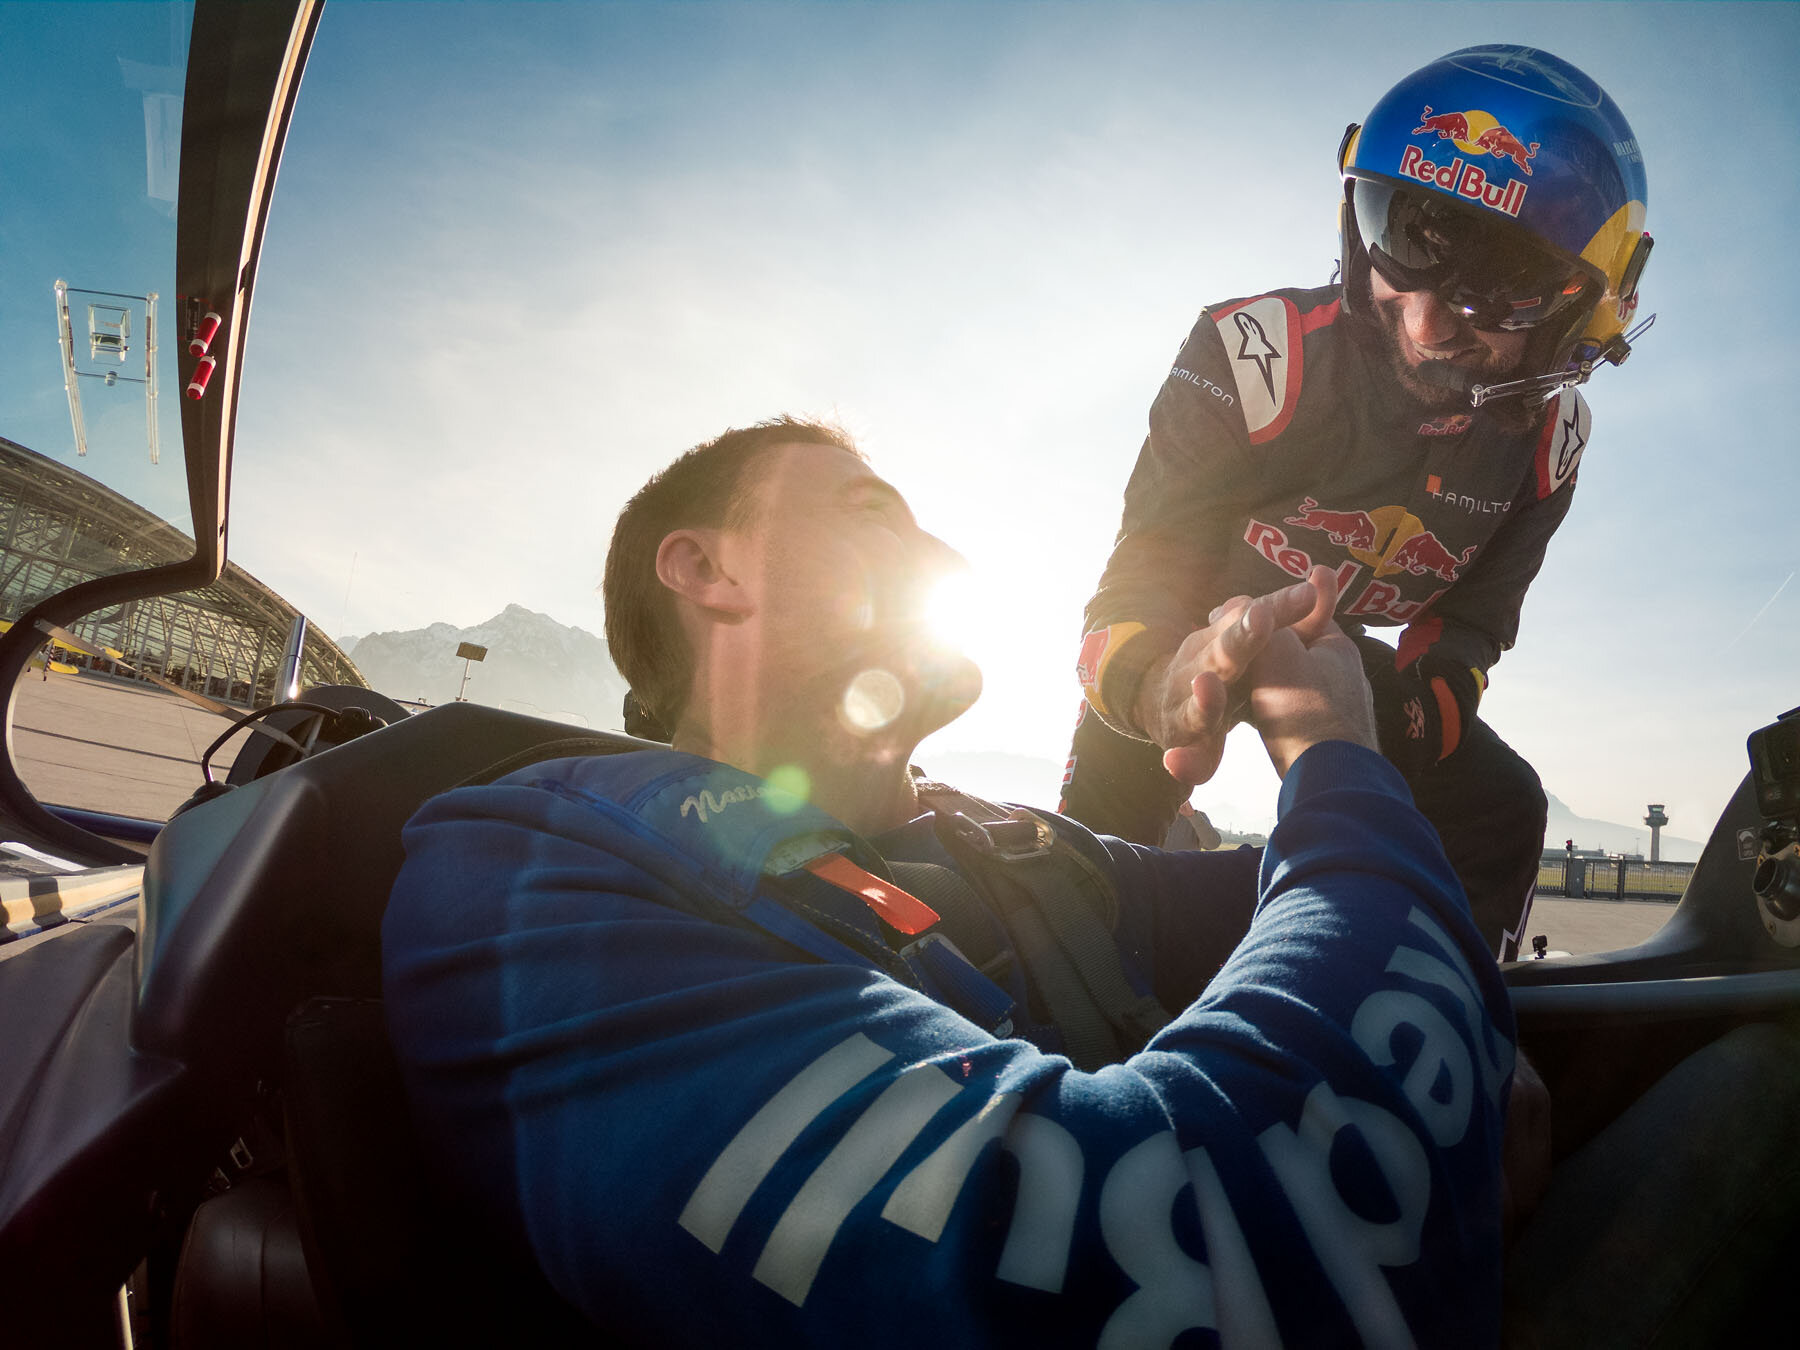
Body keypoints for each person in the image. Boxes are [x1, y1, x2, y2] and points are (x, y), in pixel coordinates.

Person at [382, 416, 1520, 1346]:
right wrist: (1332, 758)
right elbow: (1176, 1234)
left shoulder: (1011, 846)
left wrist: (1313, 698)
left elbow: (1366, 916)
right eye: (872, 511)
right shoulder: (532, 880)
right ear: (708, 569)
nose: (952, 561)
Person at [1059, 45, 1653, 961]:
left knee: (1504, 807)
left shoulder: (1551, 446)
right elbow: (1131, 589)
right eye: (1408, 237)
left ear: (1592, 312)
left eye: (1505, 288)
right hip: (1194, 634)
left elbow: (1470, 631)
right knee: (1079, 879)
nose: (1422, 320)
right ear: (1354, 209)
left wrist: (1408, 723)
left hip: (1355, 665)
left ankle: (1445, 1016)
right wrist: (1157, 688)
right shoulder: (1253, 354)